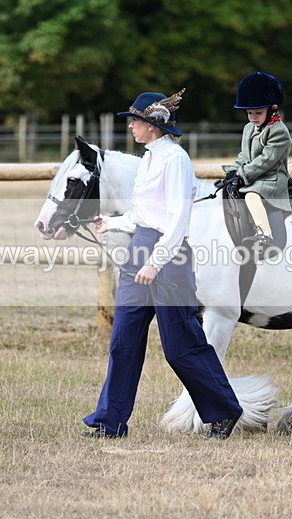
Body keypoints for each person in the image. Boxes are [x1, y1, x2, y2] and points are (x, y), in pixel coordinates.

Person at [82, 89, 244, 440]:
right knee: (123, 340)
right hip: (139, 246)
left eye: (135, 121)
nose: (132, 128)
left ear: (153, 125)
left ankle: (224, 412)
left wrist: (157, 262)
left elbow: (177, 218)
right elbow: (144, 214)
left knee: (180, 345)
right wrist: (113, 223)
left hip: (168, 256)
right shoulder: (149, 159)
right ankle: (109, 421)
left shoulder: (175, 159)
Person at [222, 71, 292, 247]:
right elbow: (245, 155)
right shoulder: (248, 128)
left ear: (272, 108)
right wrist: (232, 171)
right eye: (249, 113)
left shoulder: (279, 131)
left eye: (258, 112)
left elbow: (266, 160)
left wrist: (241, 174)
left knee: (252, 196)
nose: (253, 117)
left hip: (272, 178)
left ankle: (265, 235)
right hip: (255, 175)